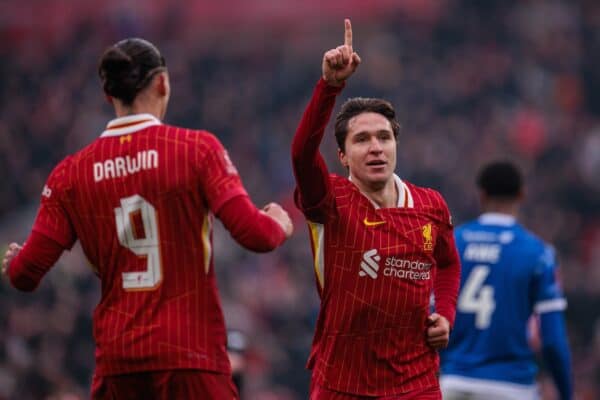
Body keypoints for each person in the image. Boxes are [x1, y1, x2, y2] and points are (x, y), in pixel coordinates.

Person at [2, 38, 293, 399]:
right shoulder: (196, 150)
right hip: (190, 357)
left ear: (109, 96)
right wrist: (279, 222)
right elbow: (257, 236)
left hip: (118, 364)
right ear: (163, 83)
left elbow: (25, 275)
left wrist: (15, 260)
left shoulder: (69, 175)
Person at [291, 19, 461, 399]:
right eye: (362, 139)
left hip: (415, 381)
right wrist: (329, 87)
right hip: (343, 382)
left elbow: (449, 263)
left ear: (396, 145)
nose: (376, 147)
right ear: (343, 156)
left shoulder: (431, 205)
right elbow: (302, 154)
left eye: (384, 137)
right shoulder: (330, 201)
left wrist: (446, 314)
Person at [440, 161, 573, 400]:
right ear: (522, 195)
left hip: (454, 382)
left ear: (481, 195)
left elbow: (429, 318)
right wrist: (566, 394)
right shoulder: (538, 253)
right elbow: (552, 340)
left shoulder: (453, 243)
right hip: (512, 386)